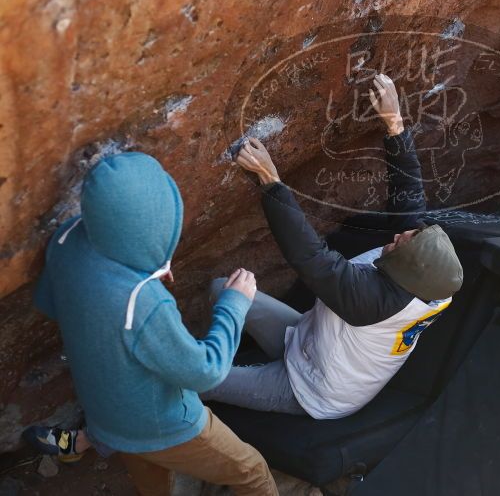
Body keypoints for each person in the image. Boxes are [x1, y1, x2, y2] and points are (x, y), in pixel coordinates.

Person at [201, 73, 464, 419]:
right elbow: (409, 196)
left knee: (197, 377)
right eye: (410, 234)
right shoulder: (426, 276)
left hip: (313, 388)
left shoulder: (372, 301)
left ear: (406, 271)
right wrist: (394, 123)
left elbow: (309, 257)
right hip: (307, 339)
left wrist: (270, 181)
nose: (399, 236)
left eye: (402, 242)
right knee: (221, 290)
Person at [25, 153, 278, 496]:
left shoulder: (67, 240)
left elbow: (53, 303)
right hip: (166, 424)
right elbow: (206, 372)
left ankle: (83, 442)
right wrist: (235, 304)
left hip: (108, 412)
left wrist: (144, 268)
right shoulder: (142, 302)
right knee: (252, 471)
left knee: (153, 483)